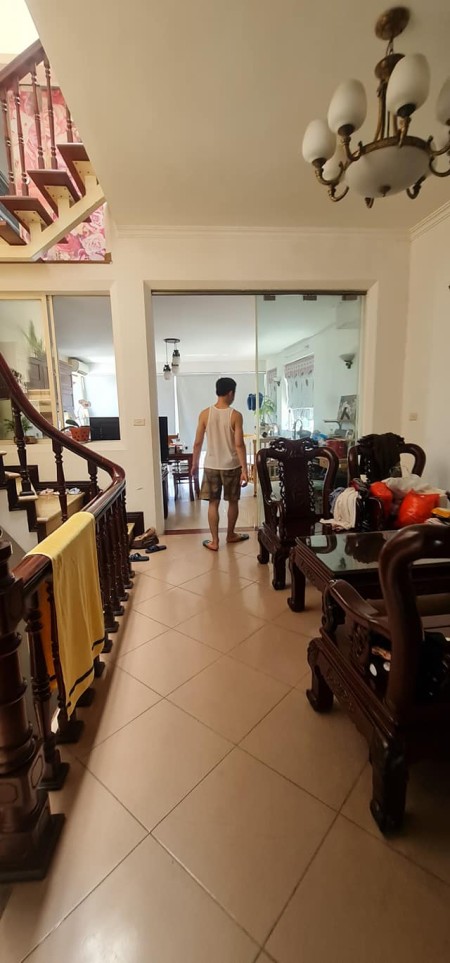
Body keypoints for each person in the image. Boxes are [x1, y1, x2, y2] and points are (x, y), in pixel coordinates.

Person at [191, 376, 249, 551]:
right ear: (230, 393)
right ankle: (230, 535)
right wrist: (244, 469)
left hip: (211, 466)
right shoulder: (235, 415)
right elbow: (239, 444)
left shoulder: (204, 414)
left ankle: (214, 541)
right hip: (231, 465)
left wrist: (194, 464)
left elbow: (197, 443)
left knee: (213, 503)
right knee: (233, 502)